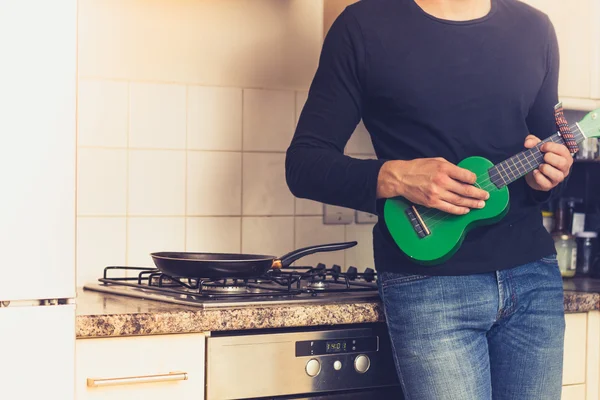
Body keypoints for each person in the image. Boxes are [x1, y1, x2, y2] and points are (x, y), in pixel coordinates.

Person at [285, 0, 574, 398]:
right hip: (428, 286)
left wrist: (552, 174)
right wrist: (394, 176)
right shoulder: (363, 26)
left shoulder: (535, 28)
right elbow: (304, 164)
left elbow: (545, 152)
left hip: (533, 279)